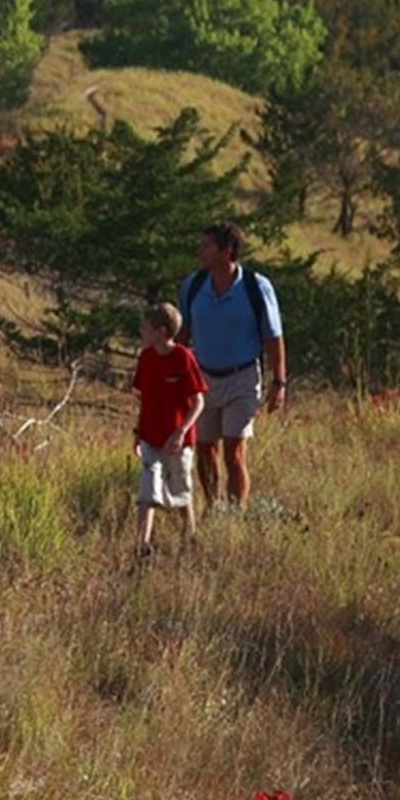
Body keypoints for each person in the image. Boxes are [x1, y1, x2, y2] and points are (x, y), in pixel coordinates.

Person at [177, 221, 287, 510]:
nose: (200, 250)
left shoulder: (256, 287)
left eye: (207, 245)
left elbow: (273, 338)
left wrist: (279, 383)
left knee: (233, 451)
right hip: (202, 378)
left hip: (242, 377)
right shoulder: (194, 285)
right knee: (204, 449)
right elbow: (183, 333)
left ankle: (236, 515)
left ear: (226, 252)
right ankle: (214, 508)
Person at [133, 301, 207, 558]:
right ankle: (141, 547)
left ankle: (190, 539)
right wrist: (137, 433)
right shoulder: (146, 358)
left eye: (146, 328)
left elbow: (199, 402)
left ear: (162, 331)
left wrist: (181, 431)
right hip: (151, 438)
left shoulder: (183, 358)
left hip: (178, 441)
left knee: (181, 491)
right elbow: (143, 399)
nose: (142, 332)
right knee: (147, 492)